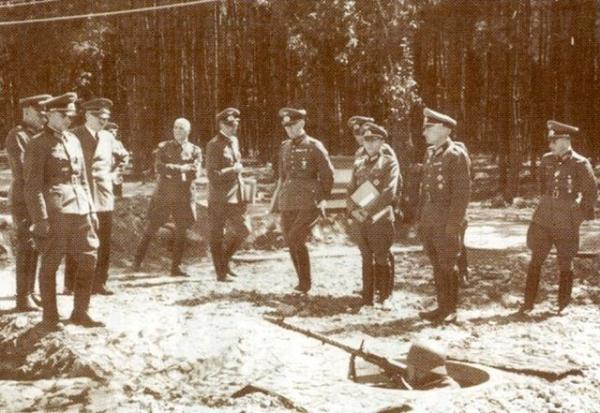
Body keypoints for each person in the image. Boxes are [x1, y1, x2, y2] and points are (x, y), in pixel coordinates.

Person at [24, 92, 103, 329]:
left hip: (80, 210)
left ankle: (80, 311)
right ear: (49, 115)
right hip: (55, 212)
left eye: (71, 115)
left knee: (89, 257)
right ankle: (50, 317)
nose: (69, 120)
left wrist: (91, 210)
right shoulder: (37, 143)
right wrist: (40, 219)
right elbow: (32, 186)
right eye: (64, 115)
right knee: (51, 263)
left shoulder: (73, 140)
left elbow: (83, 178)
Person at [520, 120, 597, 314]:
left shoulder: (580, 163)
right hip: (543, 218)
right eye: (550, 141)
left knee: (565, 261)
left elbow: (591, 194)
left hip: (566, 220)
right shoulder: (547, 160)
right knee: (535, 259)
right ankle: (527, 303)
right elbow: (542, 185)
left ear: (564, 140)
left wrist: (577, 216)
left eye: (553, 141)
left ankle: (563, 304)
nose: (550, 145)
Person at [64, 98, 129, 296]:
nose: (103, 121)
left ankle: (100, 282)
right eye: (100, 117)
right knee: (78, 239)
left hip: (103, 195)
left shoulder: (109, 137)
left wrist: (114, 173)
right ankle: (71, 283)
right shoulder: (74, 135)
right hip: (81, 194)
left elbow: (122, 156)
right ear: (88, 115)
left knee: (104, 239)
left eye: (106, 118)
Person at [270, 108, 334, 293]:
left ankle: (305, 283)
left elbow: (328, 175)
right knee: (291, 241)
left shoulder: (314, 146)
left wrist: (323, 199)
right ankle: (302, 283)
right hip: (288, 201)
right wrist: (277, 201)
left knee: (295, 238)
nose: (289, 129)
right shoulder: (284, 146)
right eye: (286, 126)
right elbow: (282, 176)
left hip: (308, 202)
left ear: (302, 124)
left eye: (293, 125)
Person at [417, 108, 471, 324]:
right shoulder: (430, 153)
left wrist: (453, 224)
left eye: (428, 128)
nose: (424, 133)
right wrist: (421, 219)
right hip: (430, 218)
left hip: (447, 219)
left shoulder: (456, 155)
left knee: (448, 264)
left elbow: (462, 194)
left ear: (443, 129)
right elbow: (424, 190)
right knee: (436, 264)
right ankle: (441, 306)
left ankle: (450, 309)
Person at [132, 118, 201, 277]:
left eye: (181, 128)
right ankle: (137, 262)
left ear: (188, 131)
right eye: (175, 127)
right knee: (151, 228)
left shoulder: (195, 150)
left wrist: (173, 171)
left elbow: (196, 172)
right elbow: (159, 167)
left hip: (183, 197)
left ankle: (175, 267)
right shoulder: (164, 147)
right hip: (164, 195)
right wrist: (182, 169)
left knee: (181, 232)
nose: (177, 131)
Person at [5, 94, 51, 312]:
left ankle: (31, 292)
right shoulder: (17, 136)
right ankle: (22, 297)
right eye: (41, 109)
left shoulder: (38, 135)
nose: (45, 114)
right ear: (27, 111)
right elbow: (26, 170)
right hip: (23, 198)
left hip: (36, 196)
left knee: (35, 246)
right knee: (26, 245)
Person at [348, 115, 401, 300]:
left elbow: (389, 190)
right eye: (366, 140)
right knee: (365, 256)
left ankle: (385, 295)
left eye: (374, 140)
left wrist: (367, 210)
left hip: (379, 216)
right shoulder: (359, 162)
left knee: (381, 255)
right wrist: (353, 210)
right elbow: (351, 191)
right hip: (361, 218)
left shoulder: (388, 160)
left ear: (381, 142)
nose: (369, 144)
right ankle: (367, 297)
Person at [205, 108, 251, 282]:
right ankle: (220, 273)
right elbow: (212, 174)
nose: (233, 127)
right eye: (229, 124)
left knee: (244, 229)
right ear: (221, 124)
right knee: (217, 235)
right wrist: (233, 170)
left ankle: (224, 260)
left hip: (235, 196)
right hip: (219, 198)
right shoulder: (214, 144)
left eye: (235, 124)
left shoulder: (234, 141)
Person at [105, 122, 128, 198]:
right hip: (105, 170)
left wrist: (121, 165)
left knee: (117, 189)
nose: (113, 133)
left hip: (115, 170)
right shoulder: (100, 143)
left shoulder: (118, 143)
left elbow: (125, 155)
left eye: (115, 131)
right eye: (110, 131)